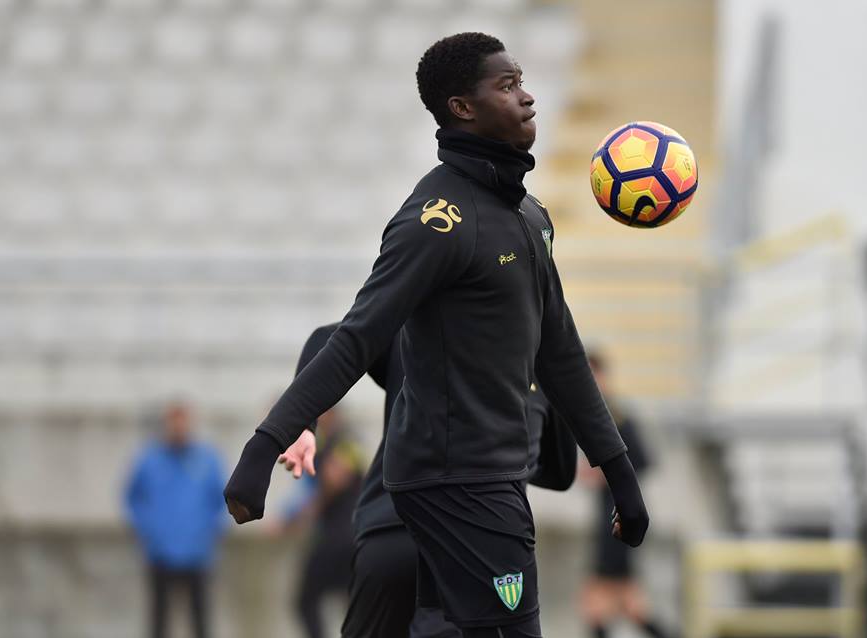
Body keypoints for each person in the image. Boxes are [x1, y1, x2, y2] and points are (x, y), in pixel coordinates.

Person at [224, 32, 649, 638]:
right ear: (462, 108)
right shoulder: (436, 221)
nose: (527, 97)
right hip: (457, 487)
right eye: (507, 85)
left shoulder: (529, 217)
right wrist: (264, 448)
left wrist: (620, 473)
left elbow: (561, 351)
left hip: (483, 486)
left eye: (523, 82)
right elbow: (352, 337)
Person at [278, 322, 578, 638]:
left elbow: (327, 339)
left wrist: (302, 423)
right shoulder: (539, 355)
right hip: (474, 541)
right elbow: (561, 472)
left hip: (387, 534)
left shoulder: (416, 325)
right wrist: (513, 466)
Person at [578, 353, 671, 638]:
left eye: (592, 375)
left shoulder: (617, 416)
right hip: (610, 517)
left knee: (599, 604)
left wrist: (604, 476)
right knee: (628, 605)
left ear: (603, 377)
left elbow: (642, 460)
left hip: (618, 519)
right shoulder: (599, 414)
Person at [124, 401, 227, 638]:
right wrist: (148, 529)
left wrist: (209, 532)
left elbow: (221, 500)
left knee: (200, 618)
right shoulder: (149, 459)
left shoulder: (206, 460)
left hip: (197, 552)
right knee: (159, 618)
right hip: (160, 552)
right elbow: (132, 497)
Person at [272, 404, 363, 638]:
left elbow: (334, 479)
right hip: (348, 536)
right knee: (347, 601)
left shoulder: (346, 441)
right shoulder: (328, 444)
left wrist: (299, 517)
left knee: (307, 599)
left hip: (340, 537)